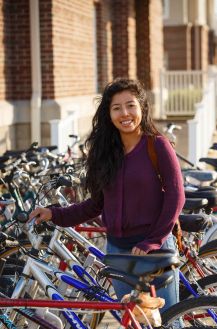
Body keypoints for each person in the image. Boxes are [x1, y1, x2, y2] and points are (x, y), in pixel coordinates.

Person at [29, 78, 185, 310]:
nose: (125, 113)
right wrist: (54, 214)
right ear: (108, 114)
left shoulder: (157, 145)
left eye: (130, 105)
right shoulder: (104, 154)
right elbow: (95, 205)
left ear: (141, 107)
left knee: (168, 324)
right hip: (118, 252)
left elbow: (176, 196)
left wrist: (152, 240)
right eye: (117, 108)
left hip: (155, 251)